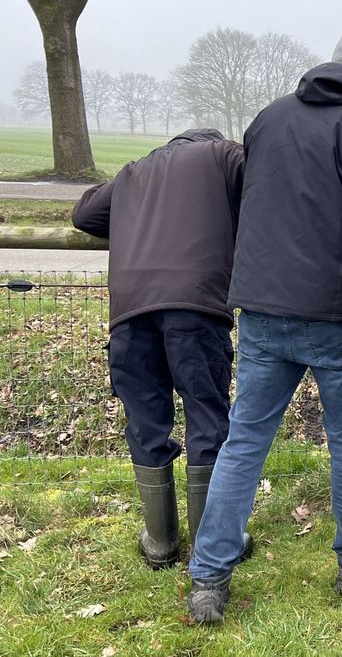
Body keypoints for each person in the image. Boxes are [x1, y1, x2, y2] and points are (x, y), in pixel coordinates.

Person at [187, 17, 342, 623]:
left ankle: (208, 576)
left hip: (262, 312)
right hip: (338, 320)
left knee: (244, 442)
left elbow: (250, 210)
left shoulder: (267, 120)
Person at [71, 128, 252, 570]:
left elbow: (85, 214)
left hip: (130, 310)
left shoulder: (135, 171)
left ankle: (160, 541)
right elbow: (269, 190)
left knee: (146, 421)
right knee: (206, 415)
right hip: (196, 305)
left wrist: (138, 213)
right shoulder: (225, 156)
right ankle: (209, 542)